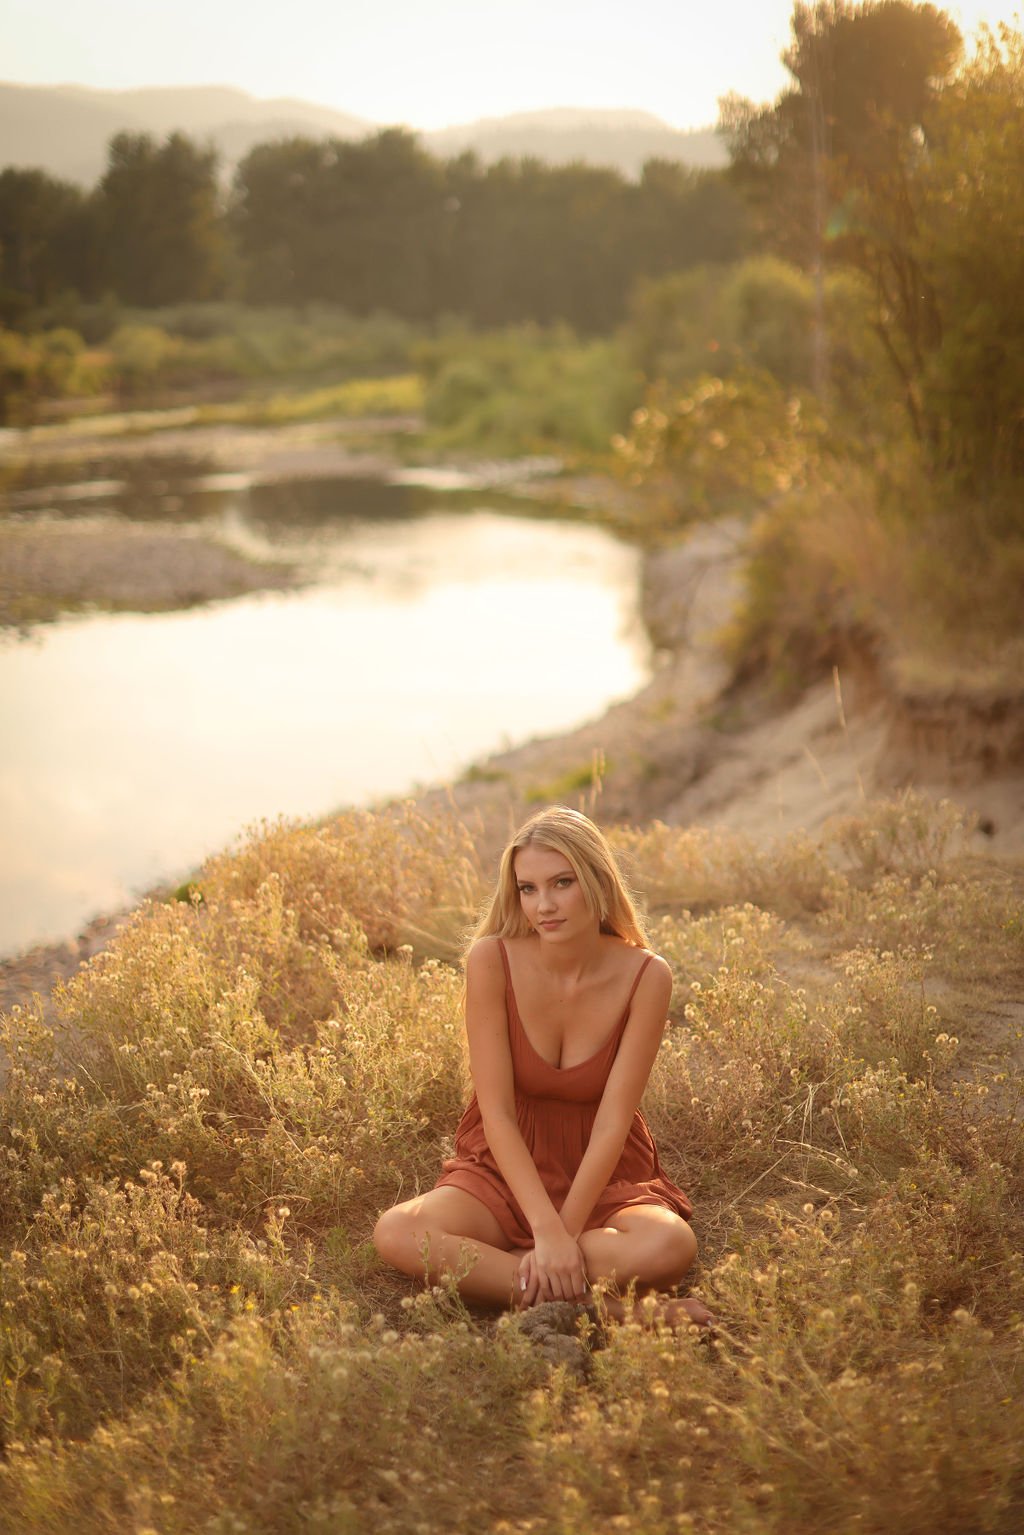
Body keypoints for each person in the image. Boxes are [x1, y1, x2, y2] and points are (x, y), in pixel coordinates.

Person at [373, 805, 710, 1326]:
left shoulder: (647, 975)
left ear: (596, 881)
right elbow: (498, 1113)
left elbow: (614, 1121)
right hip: (506, 1163)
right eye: (527, 889)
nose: (543, 905)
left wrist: (564, 1233)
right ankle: (610, 1311)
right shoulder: (491, 959)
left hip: (603, 1170)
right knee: (396, 1232)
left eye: (561, 883)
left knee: (668, 1246)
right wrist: (546, 1233)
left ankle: (512, 1279)